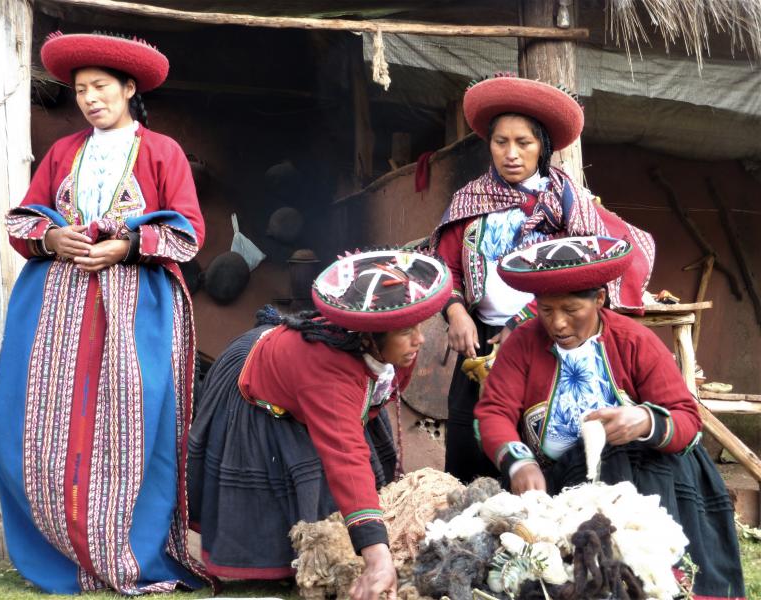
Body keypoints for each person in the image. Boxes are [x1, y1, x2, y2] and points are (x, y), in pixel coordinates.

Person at [0, 32, 206, 594]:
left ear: (129, 89)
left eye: (101, 87)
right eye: (81, 90)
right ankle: (62, 547)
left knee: (136, 418)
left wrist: (127, 245)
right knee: (41, 416)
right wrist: (54, 239)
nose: (89, 99)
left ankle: (130, 549)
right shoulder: (64, 152)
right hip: (57, 305)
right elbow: (26, 218)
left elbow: (188, 229)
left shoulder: (164, 152)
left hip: (138, 305)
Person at [475, 235, 745, 599]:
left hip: (649, 482)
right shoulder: (523, 344)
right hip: (562, 485)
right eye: (546, 310)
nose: (557, 323)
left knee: (634, 462)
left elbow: (686, 419)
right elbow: (493, 413)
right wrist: (519, 464)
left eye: (571, 310)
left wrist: (645, 421)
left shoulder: (634, 341)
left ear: (599, 300)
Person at [187, 249, 451, 600]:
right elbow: (345, 455)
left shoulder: (397, 352)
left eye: (418, 327)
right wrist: (377, 559)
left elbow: (354, 426)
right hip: (256, 387)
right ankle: (272, 565)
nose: (419, 340)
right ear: (370, 336)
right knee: (307, 465)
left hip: (318, 388)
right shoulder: (328, 372)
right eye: (407, 331)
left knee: (340, 461)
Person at [430, 73, 656, 483]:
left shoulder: (567, 204)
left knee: (537, 431)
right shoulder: (470, 200)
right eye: (501, 143)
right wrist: (457, 312)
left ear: (543, 147)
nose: (511, 154)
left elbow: (589, 268)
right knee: (468, 438)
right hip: (478, 338)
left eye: (524, 143)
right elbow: (446, 267)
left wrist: (523, 323)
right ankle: (472, 525)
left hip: (547, 332)